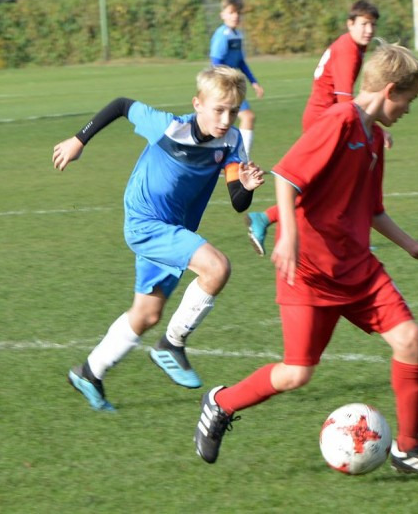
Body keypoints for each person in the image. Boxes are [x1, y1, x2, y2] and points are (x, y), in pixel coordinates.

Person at [194, 43, 418, 475]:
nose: (409, 109)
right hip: (310, 272)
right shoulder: (339, 121)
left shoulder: (374, 138)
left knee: (409, 338)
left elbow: (373, 209)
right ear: (390, 90)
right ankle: (221, 402)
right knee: (296, 374)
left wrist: (412, 245)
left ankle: (408, 449)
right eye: (409, 100)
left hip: (358, 270)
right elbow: (286, 176)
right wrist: (289, 237)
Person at [53, 66, 265, 411]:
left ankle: (89, 373)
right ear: (198, 104)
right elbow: (122, 105)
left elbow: (237, 200)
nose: (226, 119)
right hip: (146, 223)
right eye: (218, 110)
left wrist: (247, 186)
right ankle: (172, 344)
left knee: (147, 313)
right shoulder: (169, 127)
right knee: (217, 268)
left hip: (175, 229)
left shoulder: (231, 141)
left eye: (233, 111)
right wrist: (79, 140)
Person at [244, 0, 381, 256]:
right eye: (364, 24)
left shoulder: (352, 46)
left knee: (327, 184)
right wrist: (369, 127)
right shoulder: (349, 50)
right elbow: (344, 99)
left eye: (373, 25)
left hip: (326, 118)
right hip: (326, 121)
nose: (369, 30)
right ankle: (268, 219)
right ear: (350, 24)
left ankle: (265, 218)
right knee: (337, 182)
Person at [210, 0, 264, 158]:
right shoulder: (222, 35)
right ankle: (241, 158)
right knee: (244, 117)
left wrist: (254, 82)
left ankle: (236, 158)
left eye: (238, 13)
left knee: (230, 121)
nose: (235, 16)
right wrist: (223, 82)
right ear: (222, 15)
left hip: (231, 85)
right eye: (231, 12)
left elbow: (240, 62)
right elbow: (216, 62)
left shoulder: (237, 35)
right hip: (223, 85)